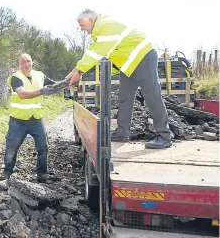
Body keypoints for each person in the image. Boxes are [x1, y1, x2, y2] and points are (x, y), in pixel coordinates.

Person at [66, 8, 172, 149]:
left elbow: (97, 53)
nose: (81, 28)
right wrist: (74, 71)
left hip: (143, 58)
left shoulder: (106, 26)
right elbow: (92, 52)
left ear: (91, 20)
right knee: (125, 97)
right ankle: (122, 132)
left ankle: (164, 136)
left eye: (82, 25)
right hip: (129, 64)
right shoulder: (99, 33)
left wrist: (79, 71)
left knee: (152, 96)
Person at [0, 53, 67, 183]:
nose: (26, 64)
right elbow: (22, 94)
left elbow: (55, 86)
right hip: (18, 121)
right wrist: (41, 91)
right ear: (19, 64)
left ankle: (41, 174)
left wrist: (69, 81)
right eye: (23, 62)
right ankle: (6, 173)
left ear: (32, 62)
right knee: (12, 147)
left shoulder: (40, 75)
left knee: (43, 146)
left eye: (28, 61)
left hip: (36, 119)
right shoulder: (16, 77)